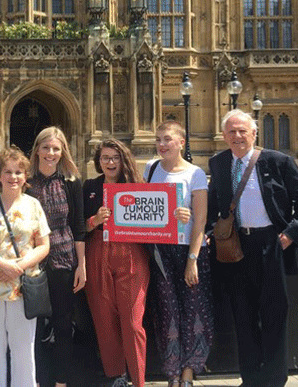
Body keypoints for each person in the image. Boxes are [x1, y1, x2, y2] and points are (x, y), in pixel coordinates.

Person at [207, 109, 298, 387]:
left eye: (243, 130)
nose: (237, 136)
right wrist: (210, 232)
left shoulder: (277, 161)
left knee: (274, 313)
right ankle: (252, 378)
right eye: (231, 131)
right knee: (243, 315)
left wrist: (289, 235)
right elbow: (212, 205)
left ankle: (274, 378)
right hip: (234, 247)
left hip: (270, 245)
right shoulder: (218, 163)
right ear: (224, 136)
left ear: (254, 133)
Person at [0, 147, 51, 387]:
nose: (13, 177)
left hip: (23, 286)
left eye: (18, 172)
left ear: (25, 176)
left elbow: (44, 245)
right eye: (8, 171)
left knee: (23, 347)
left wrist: (20, 266)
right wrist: (1, 263)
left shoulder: (33, 206)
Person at [145, 122, 213, 387]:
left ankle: (188, 372)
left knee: (194, 310)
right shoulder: (150, 169)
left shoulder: (195, 174)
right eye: (159, 139)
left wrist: (192, 260)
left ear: (181, 143)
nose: (162, 144)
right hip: (162, 249)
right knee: (167, 310)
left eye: (168, 139)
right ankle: (172, 371)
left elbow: (201, 219)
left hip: (189, 249)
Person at [82, 139, 150, 387]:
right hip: (98, 250)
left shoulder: (138, 187)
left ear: (123, 160)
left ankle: (138, 379)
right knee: (104, 319)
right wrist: (94, 220)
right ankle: (116, 376)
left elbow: (155, 221)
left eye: (115, 157)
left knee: (132, 322)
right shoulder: (89, 186)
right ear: (98, 162)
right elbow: (78, 226)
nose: (110, 162)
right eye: (105, 158)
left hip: (131, 253)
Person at [26, 126, 85, 387]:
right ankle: (36, 380)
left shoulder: (71, 182)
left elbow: (79, 225)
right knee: (33, 327)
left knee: (63, 325)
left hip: (63, 256)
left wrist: (81, 265)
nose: (51, 153)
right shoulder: (25, 183)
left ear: (63, 152)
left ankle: (61, 382)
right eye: (46, 147)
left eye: (56, 149)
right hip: (32, 261)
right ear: (37, 149)